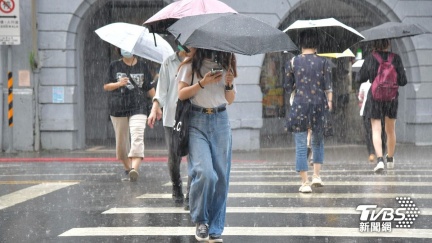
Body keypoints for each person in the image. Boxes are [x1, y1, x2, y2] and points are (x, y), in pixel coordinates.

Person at [177, 47, 236, 242]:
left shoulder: (227, 63)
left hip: (220, 121)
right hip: (197, 121)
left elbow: (230, 100)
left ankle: (216, 226)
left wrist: (228, 84)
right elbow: (181, 94)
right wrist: (203, 83)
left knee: (221, 178)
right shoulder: (190, 64)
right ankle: (201, 220)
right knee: (205, 173)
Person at [284, 29, 333, 193]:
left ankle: (305, 183)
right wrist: (330, 102)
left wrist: (297, 81)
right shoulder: (324, 62)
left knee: (300, 144)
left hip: (300, 105)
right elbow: (328, 87)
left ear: (301, 44)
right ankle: (317, 176)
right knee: (318, 141)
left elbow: (287, 87)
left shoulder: (293, 62)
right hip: (319, 104)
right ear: (316, 45)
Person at [147, 50, 192, 206]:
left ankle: (191, 194)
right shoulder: (168, 62)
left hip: (193, 116)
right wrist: (155, 108)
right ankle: (176, 186)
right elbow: (161, 91)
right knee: (174, 157)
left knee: (194, 158)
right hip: (172, 118)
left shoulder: (198, 60)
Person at [104, 48, 155, 182]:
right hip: (118, 107)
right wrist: (119, 83)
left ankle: (134, 169)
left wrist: (157, 105)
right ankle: (128, 168)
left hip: (139, 106)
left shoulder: (142, 66)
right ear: (119, 49)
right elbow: (106, 86)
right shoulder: (114, 65)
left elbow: (149, 88)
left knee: (137, 135)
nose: (126, 50)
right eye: (123, 48)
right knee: (122, 144)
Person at [358, 39, 407, 172]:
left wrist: (372, 75)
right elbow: (403, 81)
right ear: (389, 44)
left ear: (374, 44)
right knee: (390, 130)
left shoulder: (370, 58)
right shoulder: (395, 58)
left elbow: (359, 78)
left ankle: (380, 160)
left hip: (375, 98)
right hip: (391, 99)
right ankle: (390, 158)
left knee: (376, 129)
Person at [358, 80, 386, 162]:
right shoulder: (382, 82)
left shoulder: (363, 84)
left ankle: (371, 152)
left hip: (366, 111)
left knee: (369, 132)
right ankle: (381, 153)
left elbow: (360, 98)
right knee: (382, 132)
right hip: (380, 111)